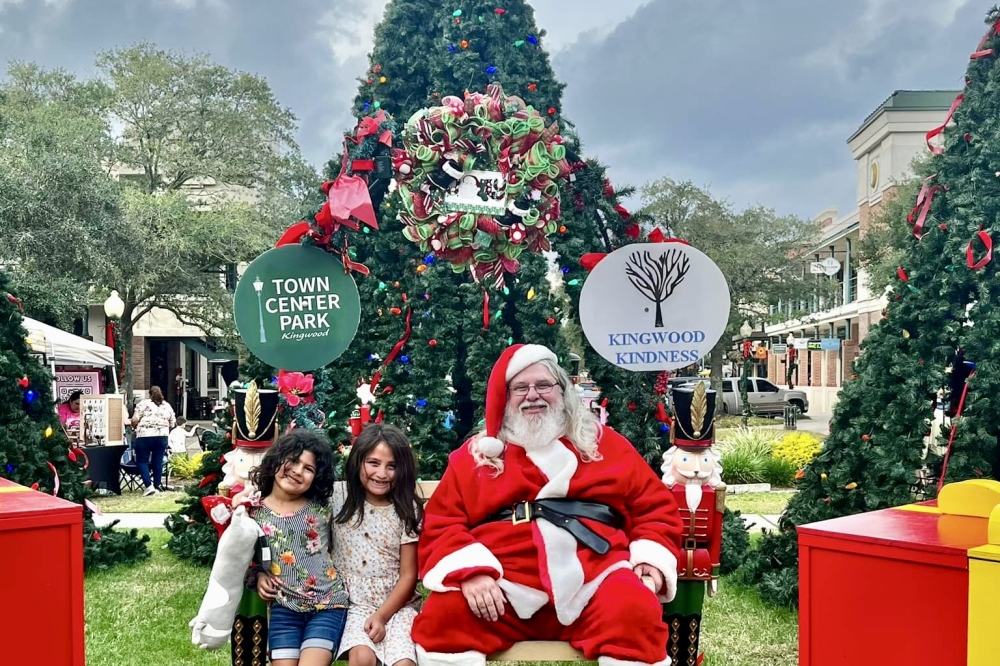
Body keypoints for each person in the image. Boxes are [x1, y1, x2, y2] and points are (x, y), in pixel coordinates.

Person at [412, 343, 684, 666]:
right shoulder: (477, 457)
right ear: (506, 397)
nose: (532, 395)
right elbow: (441, 523)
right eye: (520, 388)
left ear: (563, 391)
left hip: (594, 579)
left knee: (634, 609)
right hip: (503, 588)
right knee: (444, 617)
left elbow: (654, 507)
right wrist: (471, 573)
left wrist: (650, 563)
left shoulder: (603, 444)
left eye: (543, 385)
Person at [248, 430, 347, 666]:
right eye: (292, 461)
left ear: (317, 477)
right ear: (276, 461)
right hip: (285, 609)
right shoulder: (252, 512)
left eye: (308, 468)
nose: (297, 471)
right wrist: (257, 574)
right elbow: (239, 558)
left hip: (328, 605)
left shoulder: (324, 508)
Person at [331, 424, 423, 666]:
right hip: (354, 603)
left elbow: (408, 575)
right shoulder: (337, 497)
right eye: (373, 463)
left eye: (391, 466)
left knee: (404, 663)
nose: (382, 474)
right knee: (362, 657)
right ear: (357, 461)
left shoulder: (406, 509)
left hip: (399, 603)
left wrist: (382, 615)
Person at [130, 386, 176, 496]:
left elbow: (134, 420)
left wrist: (135, 427)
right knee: (158, 461)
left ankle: (148, 486)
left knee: (142, 461)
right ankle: (157, 485)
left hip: (144, 436)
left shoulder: (143, 404)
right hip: (162, 436)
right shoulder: (167, 405)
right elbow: (172, 422)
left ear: (150, 395)